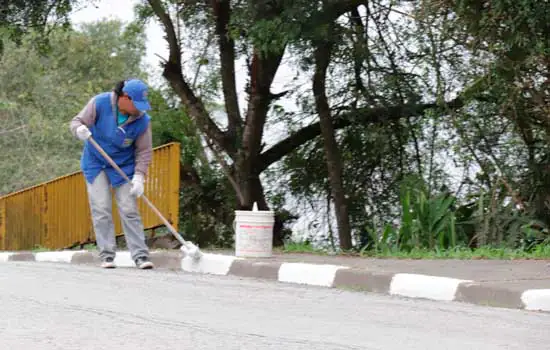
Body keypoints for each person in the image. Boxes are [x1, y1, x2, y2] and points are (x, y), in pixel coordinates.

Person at [69, 78, 154, 269]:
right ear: (124, 97)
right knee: (101, 208)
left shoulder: (142, 120)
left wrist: (139, 176)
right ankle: (107, 255)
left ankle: (140, 255)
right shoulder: (99, 103)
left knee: (129, 208)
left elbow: (144, 151)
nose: (139, 110)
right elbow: (76, 121)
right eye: (136, 104)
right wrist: (80, 130)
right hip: (96, 163)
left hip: (123, 166)